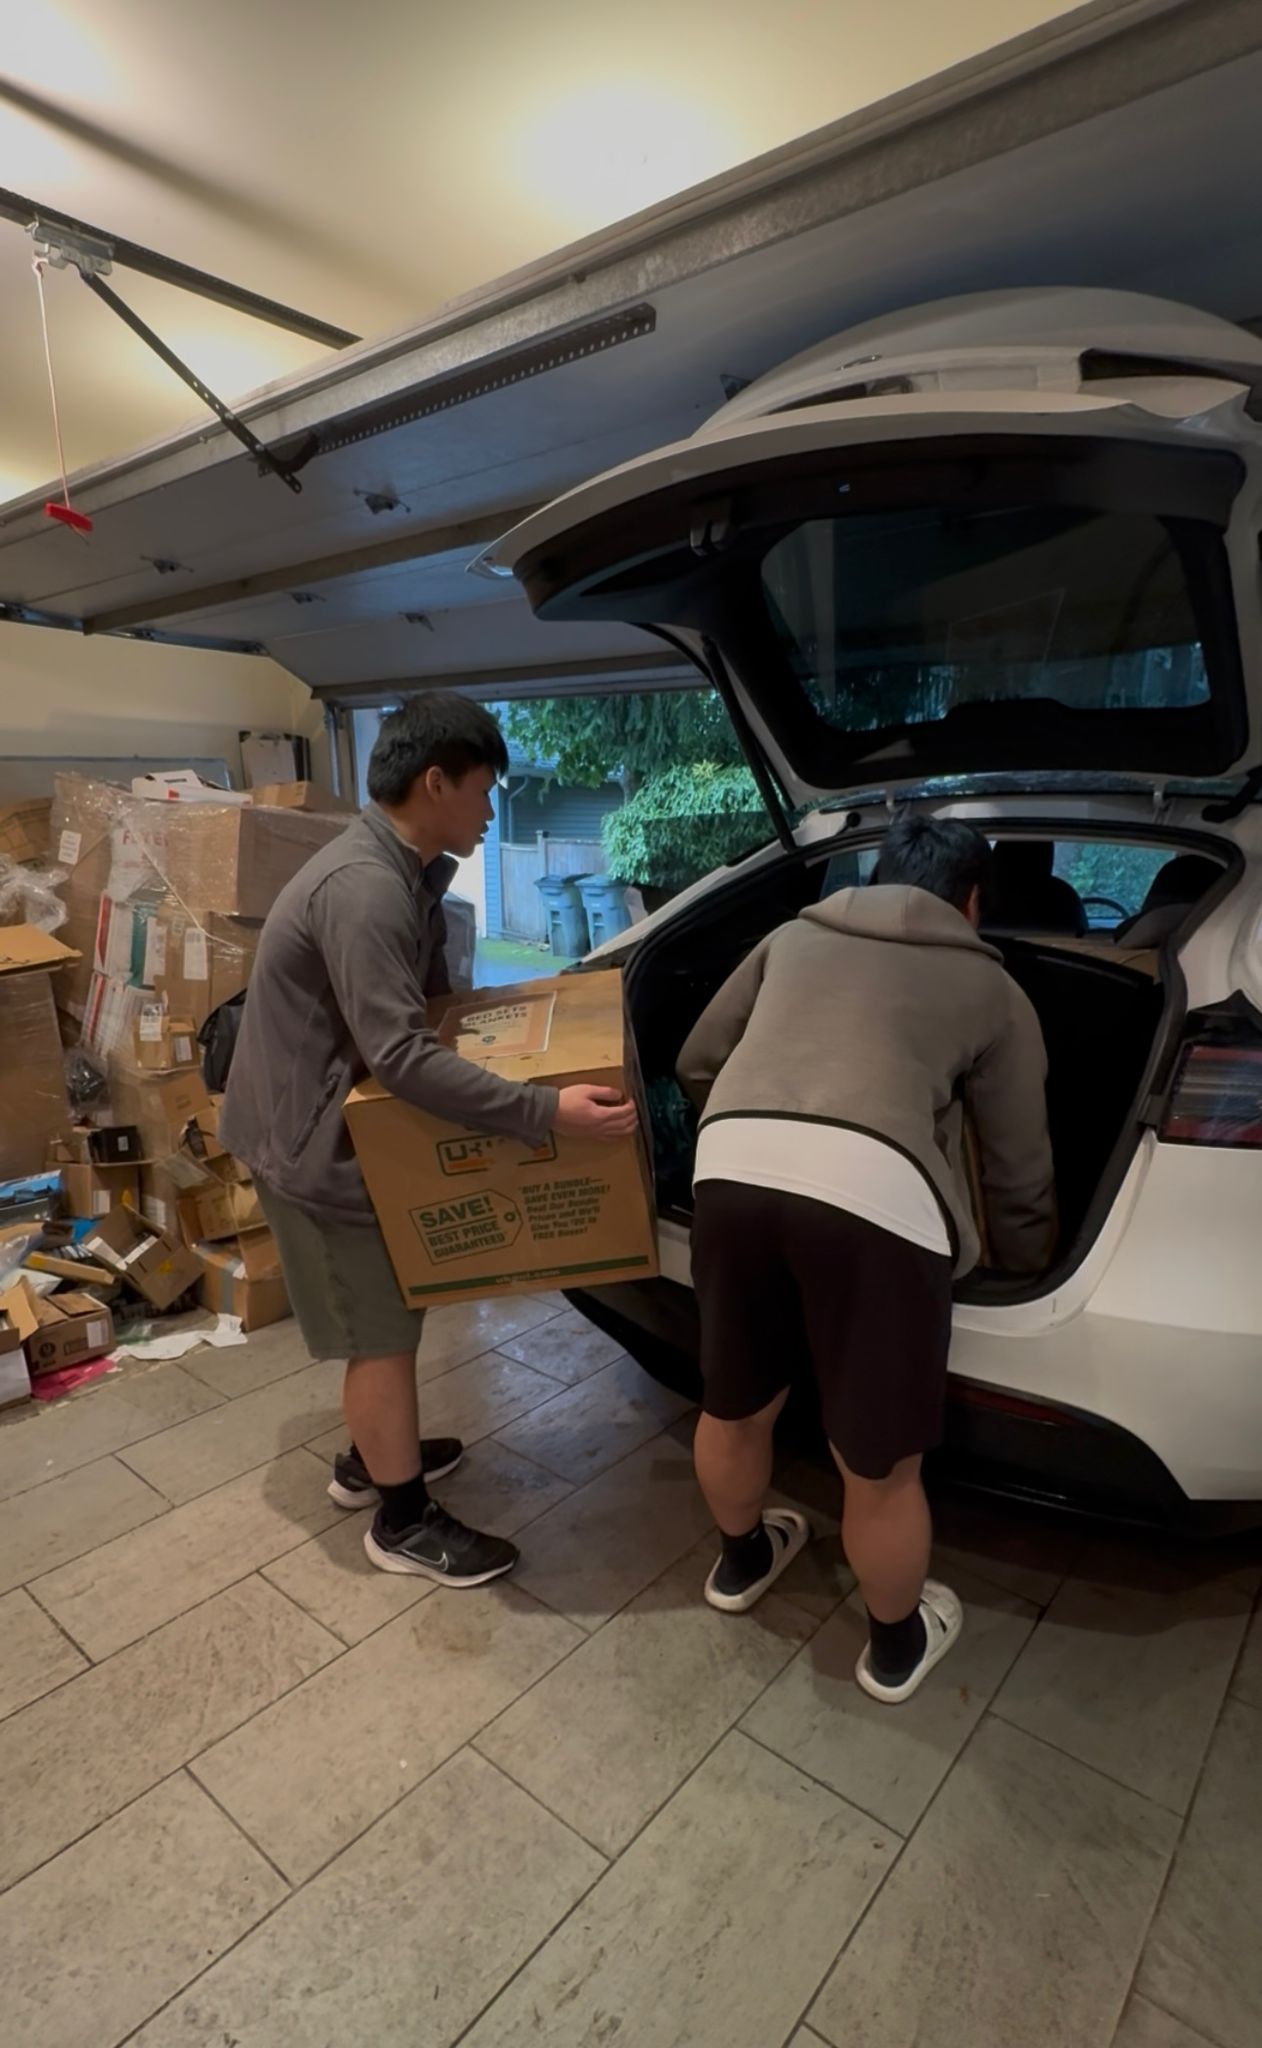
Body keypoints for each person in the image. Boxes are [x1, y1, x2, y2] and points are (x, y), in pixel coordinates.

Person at [220, 693, 637, 1588]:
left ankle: (376, 1457)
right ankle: (400, 1522)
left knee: (391, 1313)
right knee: (380, 1330)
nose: (490, 813)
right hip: (307, 1141)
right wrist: (546, 1114)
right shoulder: (366, 888)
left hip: (326, 1115)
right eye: (482, 794)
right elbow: (403, 1057)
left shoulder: (403, 868)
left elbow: (428, 1013)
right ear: (434, 782)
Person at [676, 814, 1056, 1703]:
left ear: (874, 875)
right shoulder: (991, 988)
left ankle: (740, 1564)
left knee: (734, 1406)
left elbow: (698, 1057)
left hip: (729, 1170)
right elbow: (1017, 1161)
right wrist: (1026, 1265)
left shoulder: (789, 938)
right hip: (875, 1200)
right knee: (878, 1469)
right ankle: (894, 1646)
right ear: (972, 902)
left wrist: (759, 1123)